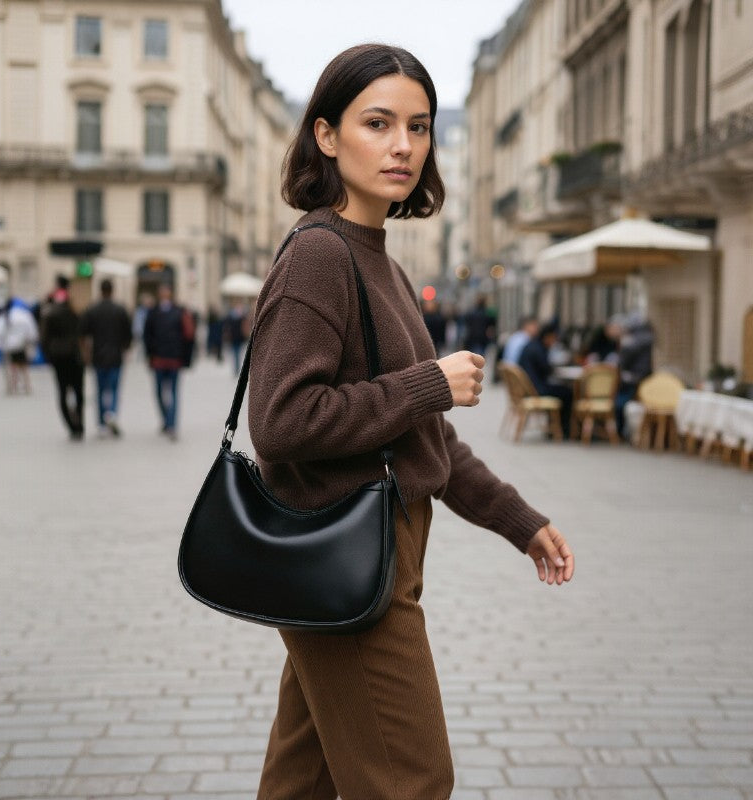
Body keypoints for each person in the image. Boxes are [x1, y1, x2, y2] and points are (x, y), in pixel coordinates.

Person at [245, 44, 574, 800]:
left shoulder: (380, 260)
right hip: (347, 549)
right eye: (378, 122)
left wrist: (517, 519)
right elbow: (282, 421)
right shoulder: (320, 255)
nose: (403, 146)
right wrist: (426, 382)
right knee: (413, 780)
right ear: (326, 135)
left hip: (364, 547)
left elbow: (423, 439)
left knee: (305, 779)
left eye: (419, 127)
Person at [79, 279, 133, 437]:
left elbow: (83, 334)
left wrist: (86, 353)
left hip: (98, 355)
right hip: (116, 355)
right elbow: (128, 335)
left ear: (100, 290)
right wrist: (125, 349)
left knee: (100, 390)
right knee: (115, 388)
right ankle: (112, 413)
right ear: (113, 290)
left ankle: (102, 424)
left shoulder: (92, 309)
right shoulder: (120, 309)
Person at [143, 283, 194, 440]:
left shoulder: (179, 311)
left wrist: (186, 358)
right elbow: (147, 335)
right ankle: (166, 419)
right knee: (159, 392)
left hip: (173, 358)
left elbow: (189, 335)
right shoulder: (153, 312)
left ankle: (171, 424)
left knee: (172, 392)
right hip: (159, 358)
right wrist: (149, 354)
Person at [39, 284, 84, 440]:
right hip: (75, 357)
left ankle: (71, 426)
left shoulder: (50, 316)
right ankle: (79, 423)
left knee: (63, 392)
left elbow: (44, 340)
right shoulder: (74, 314)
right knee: (78, 392)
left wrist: (48, 357)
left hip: (58, 357)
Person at [518, 321, 573, 437]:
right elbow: (547, 370)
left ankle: (555, 427)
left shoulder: (532, 345)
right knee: (568, 393)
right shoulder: (538, 349)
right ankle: (564, 429)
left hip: (530, 387)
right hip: (536, 389)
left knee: (562, 390)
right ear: (548, 336)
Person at [615, 311, 654, 438]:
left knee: (619, 401)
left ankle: (619, 430)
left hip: (633, 378)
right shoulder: (648, 337)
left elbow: (624, 359)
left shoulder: (632, 340)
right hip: (644, 376)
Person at [0, 298, 38, 395]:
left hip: (7, 346)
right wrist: (30, 342)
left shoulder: (2, 317)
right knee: (23, 366)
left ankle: (11, 387)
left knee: (10, 366)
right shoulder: (24, 315)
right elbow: (32, 331)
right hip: (21, 345)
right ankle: (27, 386)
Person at [225, 299, 250, 375]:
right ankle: (237, 368)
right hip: (234, 338)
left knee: (237, 353)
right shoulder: (233, 317)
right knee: (236, 353)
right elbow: (228, 327)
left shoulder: (241, 317)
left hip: (239, 338)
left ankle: (237, 368)